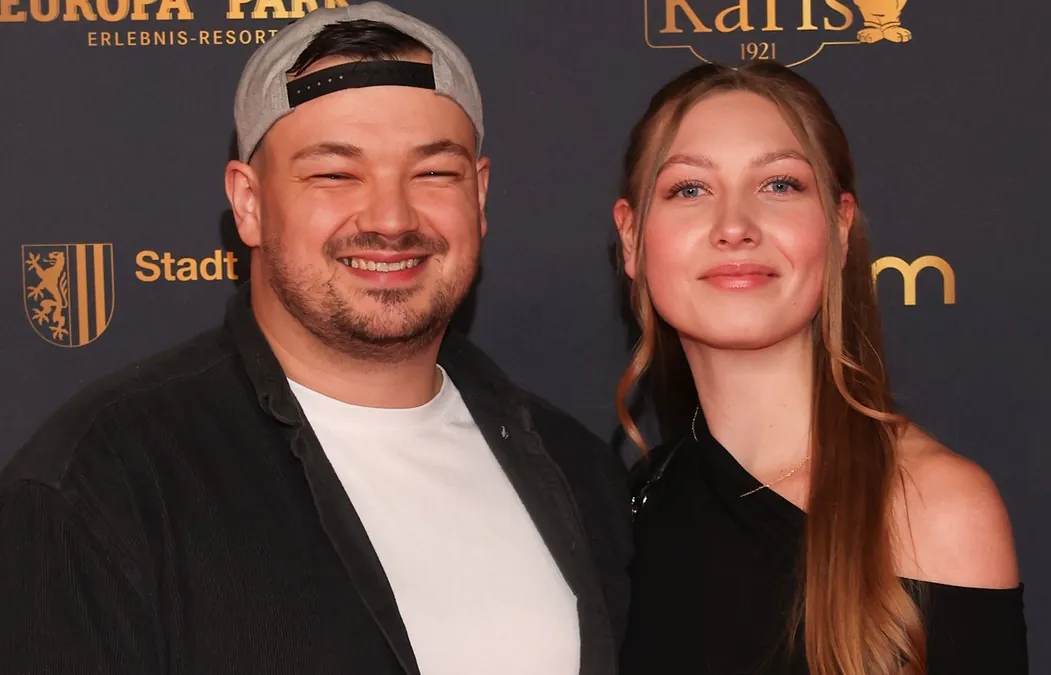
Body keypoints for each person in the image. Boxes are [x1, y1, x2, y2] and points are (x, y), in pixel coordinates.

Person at [0, 4, 630, 675]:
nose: (391, 219)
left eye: (433, 173)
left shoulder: (576, 469)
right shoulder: (103, 484)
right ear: (249, 203)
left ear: (478, 196)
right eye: (335, 174)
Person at [612, 60, 1027, 675]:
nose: (735, 227)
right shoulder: (627, 506)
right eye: (690, 189)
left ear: (839, 226)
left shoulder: (931, 507)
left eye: (779, 185)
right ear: (631, 240)